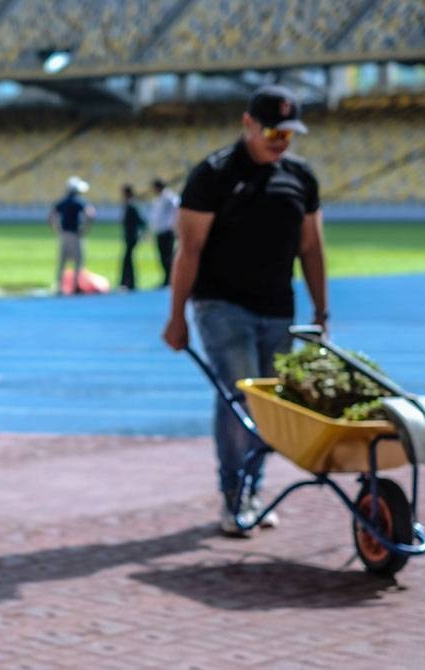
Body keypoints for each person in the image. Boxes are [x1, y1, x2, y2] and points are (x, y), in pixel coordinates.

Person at [161, 84, 328, 536]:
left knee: (271, 404)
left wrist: (322, 311)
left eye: (289, 134)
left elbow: (311, 247)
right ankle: (233, 494)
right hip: (221, 305)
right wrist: (177, 317)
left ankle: (254, 487)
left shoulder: (300, 177)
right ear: (248, 124)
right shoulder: (213, 175)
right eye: (274, 131)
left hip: (279, 307)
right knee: (241, 395)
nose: (281, 141)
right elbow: (189, 249)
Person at [49, 176, 96, 295]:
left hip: (64, 234)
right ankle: (76, 286)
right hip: (75, 234)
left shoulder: (62, 201)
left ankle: (59, 287)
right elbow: (90, 214)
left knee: (62, 262)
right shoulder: (79, 201)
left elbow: (51, 216)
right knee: (78, 261)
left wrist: (56, 229)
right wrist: (85, 229)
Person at [149, 178, 180, 287]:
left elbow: (176, 211)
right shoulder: (159, 198)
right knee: (162, 256)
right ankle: (167, 278)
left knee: (168, 256)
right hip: (160, 231)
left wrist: (173, 227)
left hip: (167, 231)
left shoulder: (170, 197)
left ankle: (171, 279)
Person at [118, 184, 146, 291]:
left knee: (127, 259)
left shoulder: (132, 206)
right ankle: (129, 282)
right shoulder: (128, 205)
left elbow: (141, 221)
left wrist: (142, 233)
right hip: (129, 236)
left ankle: (128, 282)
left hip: (132, 237)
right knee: (128, 259)